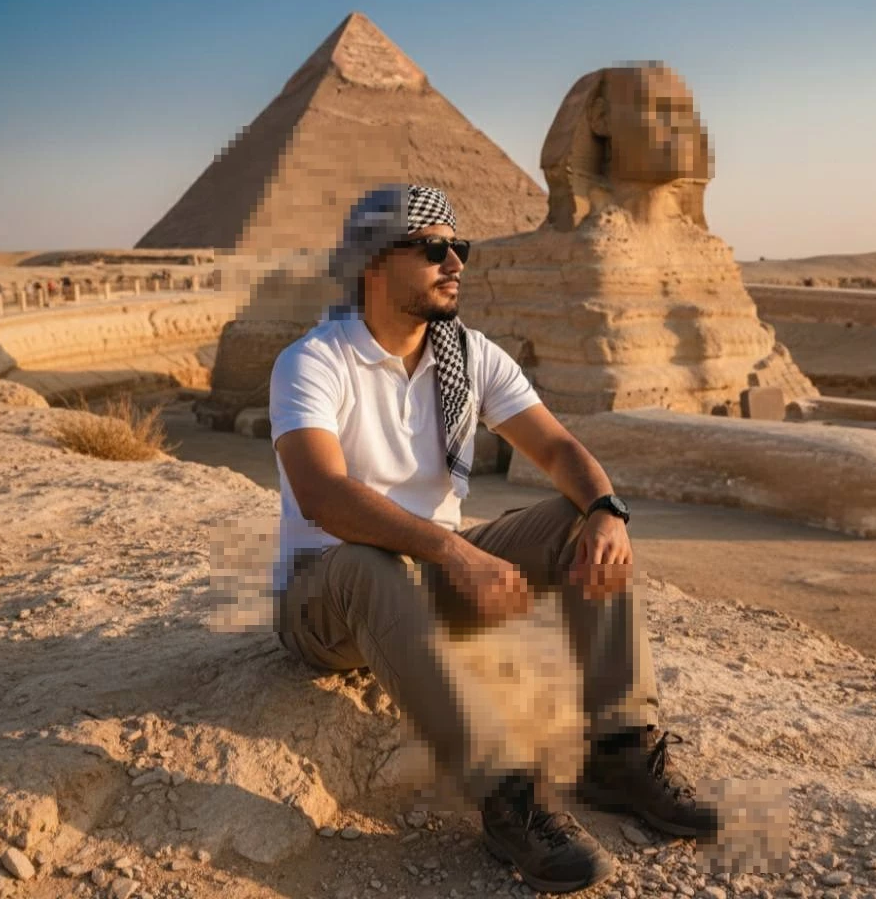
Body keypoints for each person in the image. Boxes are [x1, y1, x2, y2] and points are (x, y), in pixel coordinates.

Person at [270, 185, 717, 894]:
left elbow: (559, 448)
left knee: (576, 524)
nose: (455, 263)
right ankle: (507, 797)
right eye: (433, 248)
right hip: (327, 600)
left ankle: (621, 753)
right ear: (373, 266)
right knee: (368, 563)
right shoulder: (314, 360)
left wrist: (606, 509)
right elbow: (323, 496)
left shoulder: (468, 355)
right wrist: (452, 550)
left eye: (460, 248)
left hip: (428, 583)